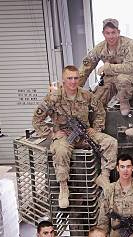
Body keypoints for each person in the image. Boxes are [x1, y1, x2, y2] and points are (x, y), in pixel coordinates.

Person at [32, 65, 118, 207]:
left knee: (111, 143)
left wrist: (95, 129)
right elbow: (37, 119)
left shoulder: (86, 95)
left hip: (84, 133)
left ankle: (104, 176)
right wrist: (52, 133)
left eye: (76, 78)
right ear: (63, 80)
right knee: (60, 150)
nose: (73, 81)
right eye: (69, 78)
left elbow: (100, 111)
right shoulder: (53, 98)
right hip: (65, 135)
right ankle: (63, 187)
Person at [79, 18, 133, 116]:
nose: (111, 36)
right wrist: (74, 88)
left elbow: (129, 67)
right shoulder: (100, 48)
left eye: (113, 32)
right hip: (111, 78)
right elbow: (85, 68)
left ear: (118, 32)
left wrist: (107, 67)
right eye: (107, 33)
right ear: (103, 33)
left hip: (131, 75)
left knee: (122, 79)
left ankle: (124, 101)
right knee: (96, 102)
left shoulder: (129, 44)